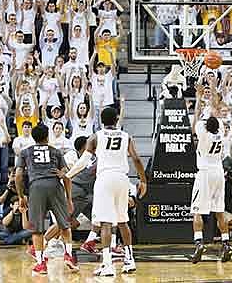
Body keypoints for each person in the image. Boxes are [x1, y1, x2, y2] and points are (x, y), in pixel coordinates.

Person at [66, 107, 147, 277]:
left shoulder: (95, 137)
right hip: (122, 179)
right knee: (123, 221)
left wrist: (68, 175)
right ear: (117, 120)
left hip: (105, 179)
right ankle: (130, 260)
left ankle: (107, 264)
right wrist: (143, 180)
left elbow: (83, 162)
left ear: (101, 121)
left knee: (105, 223)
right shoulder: (126, 136)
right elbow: (137, 159)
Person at [15, 124, 78, 275]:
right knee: (64, 224)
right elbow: (66, 176)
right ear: (47, 136)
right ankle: (68, 255)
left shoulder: (25, 152)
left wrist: (20, 196)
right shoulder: (56, 151)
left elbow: (17, 175)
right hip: (55, 186)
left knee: (37, 229)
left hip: (36, 187)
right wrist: (69, 199)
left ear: (33, 137)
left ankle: (40, 263)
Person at [187, 84, 232, 264]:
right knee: (219, 211)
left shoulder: (202, 131)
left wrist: (199, 97)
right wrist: (212, 87)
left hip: (205, 173)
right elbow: (214, 109)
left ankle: (199, 243)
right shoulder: (221, 130)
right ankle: (226, 242)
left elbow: (198, 116)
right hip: (218, 173)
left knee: (197, 211)